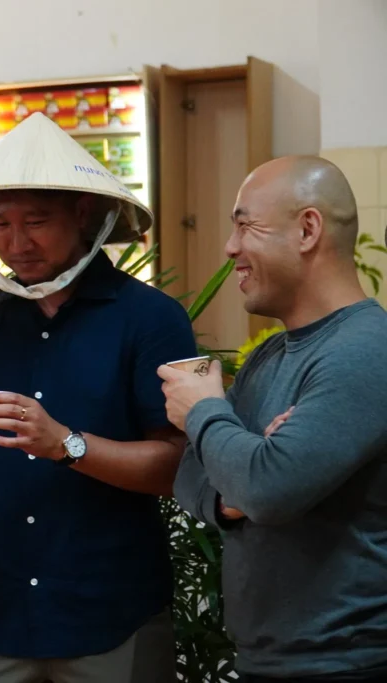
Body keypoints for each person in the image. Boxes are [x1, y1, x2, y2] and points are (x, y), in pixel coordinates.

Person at [0, 112, 197, 683]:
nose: (16, 244)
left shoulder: (150, 320)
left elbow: (175, 465)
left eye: (36, 221)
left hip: (115, 612)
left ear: (83, 213)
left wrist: (66, 444)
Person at [164, 155, 387, 682]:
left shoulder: (365, 350)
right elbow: (191, 476)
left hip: (348, 663)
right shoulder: (270, 356)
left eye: (245, 225)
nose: (231, 247)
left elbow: (270, 487)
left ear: (308, 229)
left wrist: (203, 409)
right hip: (271, 661)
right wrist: (234, 492)